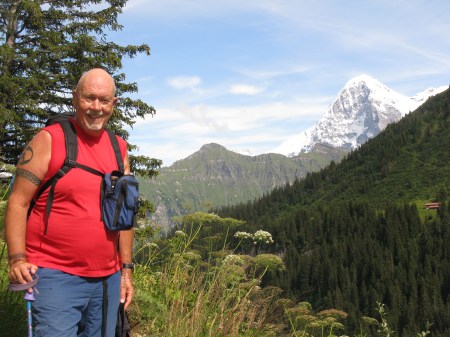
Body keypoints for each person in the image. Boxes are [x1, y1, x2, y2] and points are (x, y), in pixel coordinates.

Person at [5, 68, 134, 337]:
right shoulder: (49, 139)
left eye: (104, 100)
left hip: (107, 280)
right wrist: (17, 259)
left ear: (114, 104)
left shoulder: (118, 147)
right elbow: (17, 201)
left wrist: (126, 270)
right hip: (55, 275)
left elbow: (125, 213)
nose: (96, 107)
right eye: (89, 98)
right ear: (75, 98)